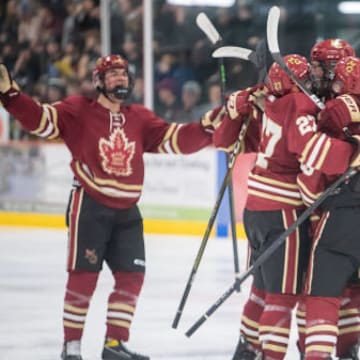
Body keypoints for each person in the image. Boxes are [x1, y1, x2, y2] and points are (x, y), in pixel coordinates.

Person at [0, 54, 222, 360]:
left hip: (127, 212)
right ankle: (72, 348)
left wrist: (210, 124)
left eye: (123, 74)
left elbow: (177, 140)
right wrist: (11, 96)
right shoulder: (78, 110)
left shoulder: (140, 118)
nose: (120, 78)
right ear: (99, 81)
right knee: (83, 277)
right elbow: (41, 120)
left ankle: (113, 345)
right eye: (113, 74)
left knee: (132, 276)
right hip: (90, 206)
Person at [213, 54, 359, 360]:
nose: (320, 77)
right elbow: (311, 153)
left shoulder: (272, 104)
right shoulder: (301, 105)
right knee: (287, 293)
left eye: (326, 70)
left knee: (271, 289)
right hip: (283, 210)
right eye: (316, 70)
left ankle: (250, 346)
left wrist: (237, 106)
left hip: (258, 208)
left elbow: (225, 142)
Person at [299, 56, 360, 360]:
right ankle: (350, 351)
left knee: (322, 293)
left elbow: (313, 160)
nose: (333, 84)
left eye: (338, 79)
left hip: (343, 211)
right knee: (354, 290)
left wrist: (311, 203)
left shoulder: (338, 108)